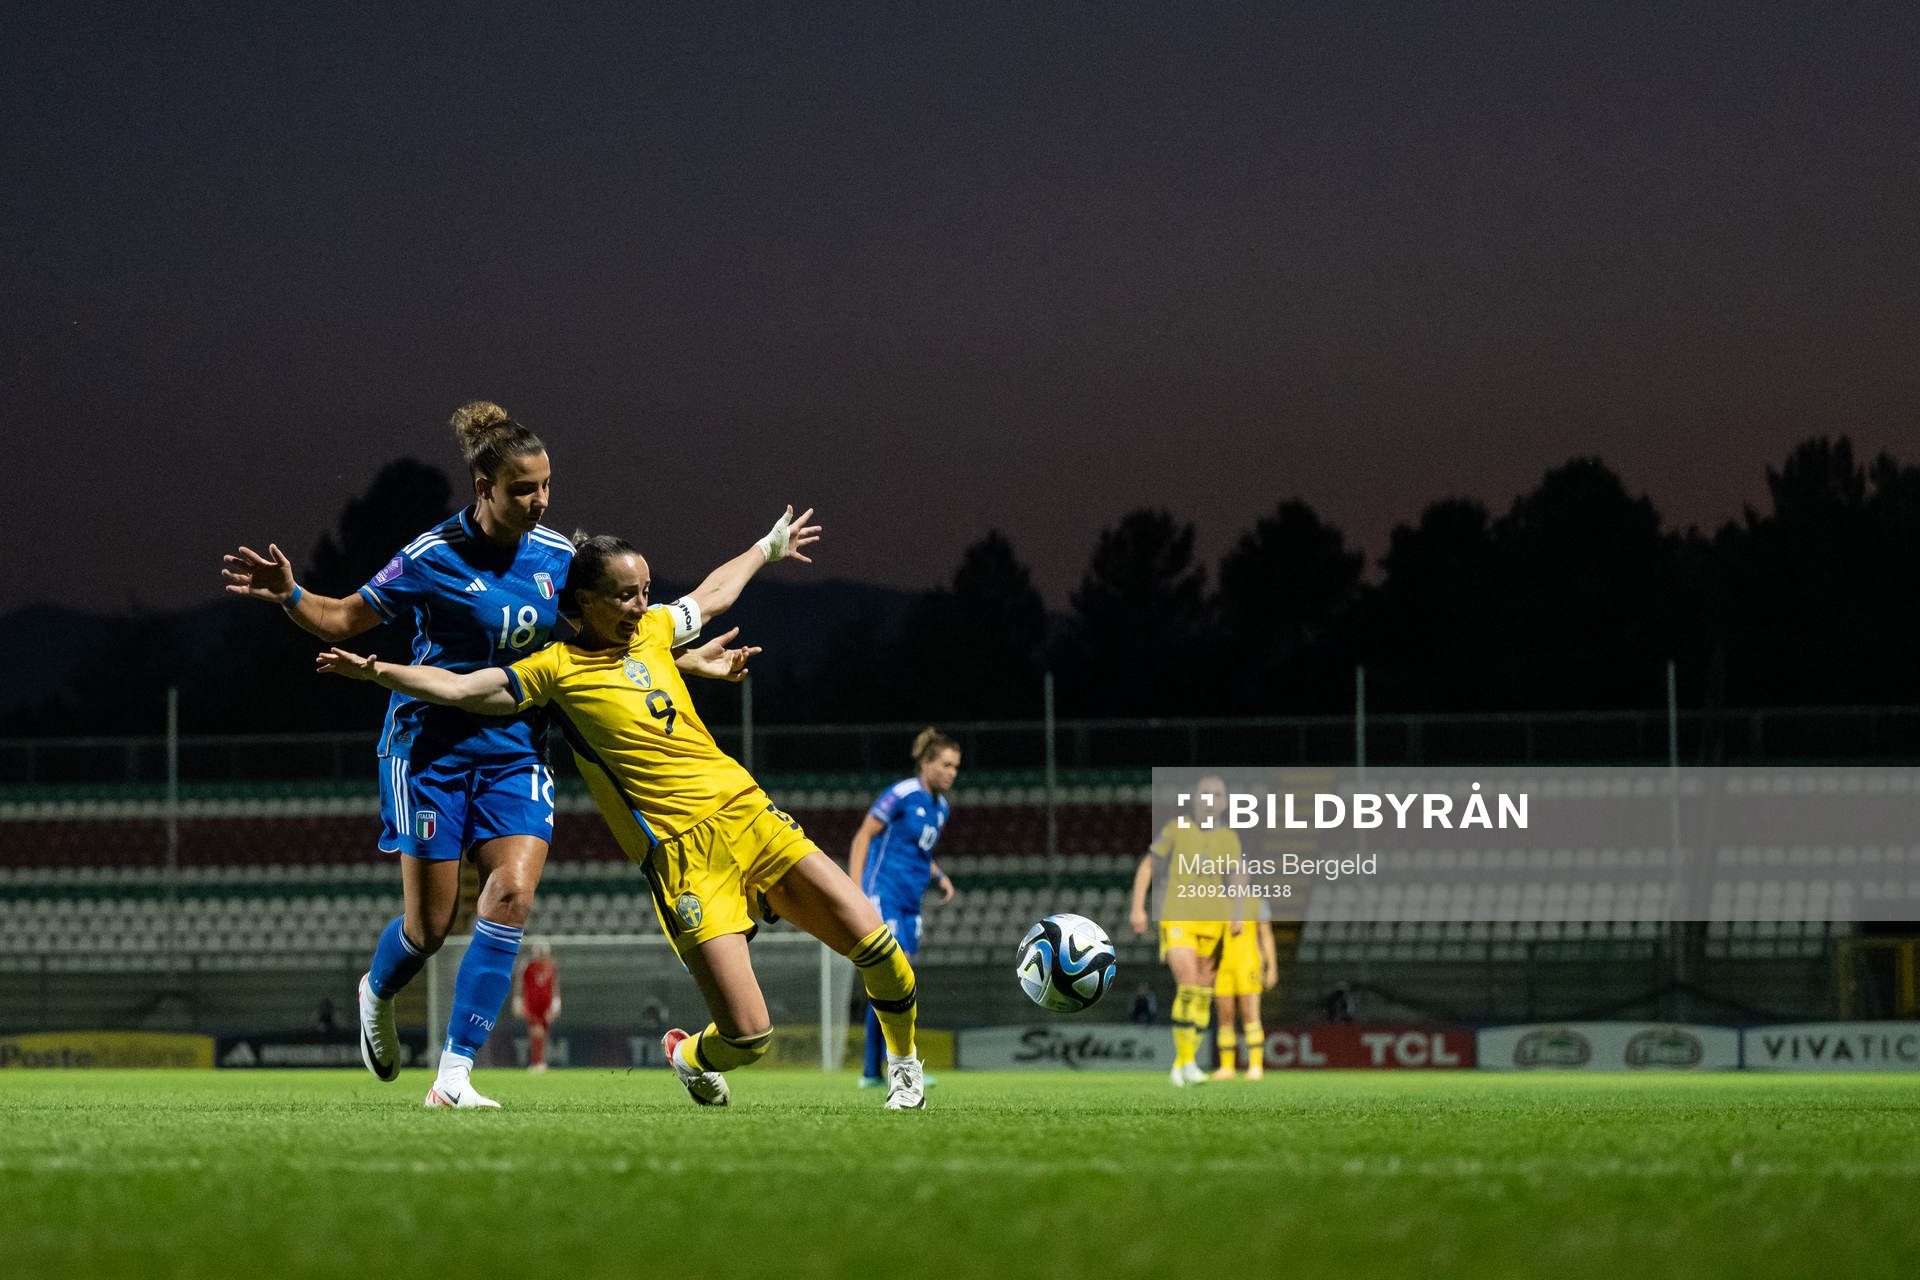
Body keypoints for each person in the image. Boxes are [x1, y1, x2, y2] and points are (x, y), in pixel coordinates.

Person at [222, 401, 750, 1109]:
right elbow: (344, 617)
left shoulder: (559, 558)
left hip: (516, 749)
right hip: (428, 749)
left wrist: (687, 663)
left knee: (512, 896)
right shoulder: (431, 557)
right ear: (484, 487)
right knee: (429, 929)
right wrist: (289, 594)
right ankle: (377, 988)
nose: (540, 501)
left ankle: (454, 1076)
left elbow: (599, 645)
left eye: (547, 485)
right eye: (523, 489)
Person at [315, 509, 932, 1111]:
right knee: (749, 1038)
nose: (641, 605)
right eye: (625, 595)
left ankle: (905, 1072)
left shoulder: (655, 631)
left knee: (881, 951)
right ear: (583, 602)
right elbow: (467, 687)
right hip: (682, 860)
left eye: (644, 591)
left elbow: (712, 596)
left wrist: (765, 548)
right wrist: (381, 672)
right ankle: (689, 1056)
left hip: (750, 816)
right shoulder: (555, 670)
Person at [846, 728, 959, 1087]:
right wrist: (855, 890)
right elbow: (863, 835)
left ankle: (874, 1071)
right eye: (946, 765)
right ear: (926, 763)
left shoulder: (941, 808)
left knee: (896, 982)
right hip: (885, 894)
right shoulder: (902, 794)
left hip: (911, 903)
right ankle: (897, 1066)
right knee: (897, 976)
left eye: (955, 767)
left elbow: (919, 852)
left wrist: (939, 875)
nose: (952, 773)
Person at [1129, 775, 1240, 1087]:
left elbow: (1234, 877)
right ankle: (1187, 1063)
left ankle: (1183, 1063)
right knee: (1188, 983)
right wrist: (1138, 908)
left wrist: (1237, 913)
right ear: (1195, 799)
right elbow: (1148, 865)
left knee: (1203, 995)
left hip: (1214, 921)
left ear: (1225, 803)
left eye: (1217, 795)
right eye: (1205, 794)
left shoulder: (1229, 838)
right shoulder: (1176, 829)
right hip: (1178, 917)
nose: (1210, 800)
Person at [1209, 900, 1277, 1080]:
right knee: (1225, 1016)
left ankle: (1255, 1066)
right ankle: (1226, 1067)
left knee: (1250, 1014)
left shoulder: (1257, 902)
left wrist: (1271, 967)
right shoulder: (1218, 901)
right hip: (1224, 965)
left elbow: (1266, 934)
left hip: (1249, 963)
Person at [513, 940, 561, 1073]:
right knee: (536, 1031)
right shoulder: (527, 966)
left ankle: (540, 1061)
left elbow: (554, 985)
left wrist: (556, 1002)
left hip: (546, 1004)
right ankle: (537, 1062)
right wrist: (517, 1001)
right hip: (532, 1003)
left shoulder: (551, 966)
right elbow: (519, 984)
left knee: (543, 1034)